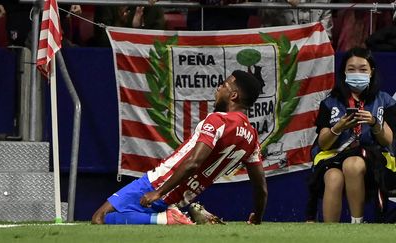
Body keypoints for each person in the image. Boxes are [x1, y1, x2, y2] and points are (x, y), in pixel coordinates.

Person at [92, 70, 268, 225]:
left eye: (223, 85)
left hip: (158, 183)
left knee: (99, 217)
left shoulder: (218, 120)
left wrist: (158, 192)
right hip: (181, 197)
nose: (218, 88)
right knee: (125, 219)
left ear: (233, 95)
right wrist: (257, 217)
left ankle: (166, 219)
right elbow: (261, 188)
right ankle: (169, 217)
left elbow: (194, 163)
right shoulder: (252, 138)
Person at [307, 47, 396, 223]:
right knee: (333, 178)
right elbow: (323, 144)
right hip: (333, 156)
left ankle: (357, 225)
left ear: (371, 72)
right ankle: (330, 235)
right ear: (344, 73)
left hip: (374, 160)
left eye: (363, 69)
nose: (357, 73)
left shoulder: (385, 100)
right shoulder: (330, 102)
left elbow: (388, 140)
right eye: (351, 69)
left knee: (352, 164)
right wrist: (338, 127)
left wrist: (373, 123)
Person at [91, 5, 165, 47]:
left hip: (143, 55)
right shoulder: (106, 5)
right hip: (110, 53)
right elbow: (103, 40)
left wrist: (136, 28)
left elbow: (157, 42)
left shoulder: (154, 8)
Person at [260, 0, 333, 40]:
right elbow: (266, 23)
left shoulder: (324, 1)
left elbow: (326, 35)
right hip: (282, 49)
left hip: (312, 51)